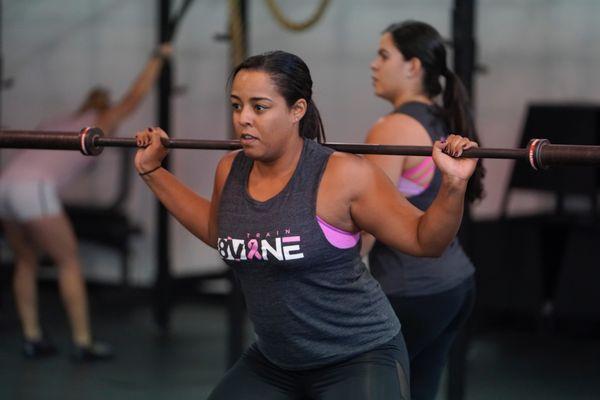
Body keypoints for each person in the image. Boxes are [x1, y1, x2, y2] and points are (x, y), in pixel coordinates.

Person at [134, 50, 478, 399]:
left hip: (358, 356)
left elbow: (426, 241)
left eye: (260, 107)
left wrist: (453, 186)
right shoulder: (230, 169)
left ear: (297, 110)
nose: (244, 119)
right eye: (237, 106)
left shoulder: (342, 175)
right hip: (275, 361)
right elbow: (218, 231)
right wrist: (152, 171)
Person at [0, 43, 172, 361]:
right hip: (31, 189)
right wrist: (157, 59)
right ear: (103, 106)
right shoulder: (99, 120)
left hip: (4, 186)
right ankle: (83, 342)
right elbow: (133, 98)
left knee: (26, 258)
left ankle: (32, 337)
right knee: (69, 262)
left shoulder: (57, 121)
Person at [362, 20, 485, 400]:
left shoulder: (393, 127)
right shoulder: (442, 116)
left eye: (383, 55)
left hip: (411, 292)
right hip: (455, 284)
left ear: (413, 66)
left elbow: (364, 225)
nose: (373, 65)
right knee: (417, 391)